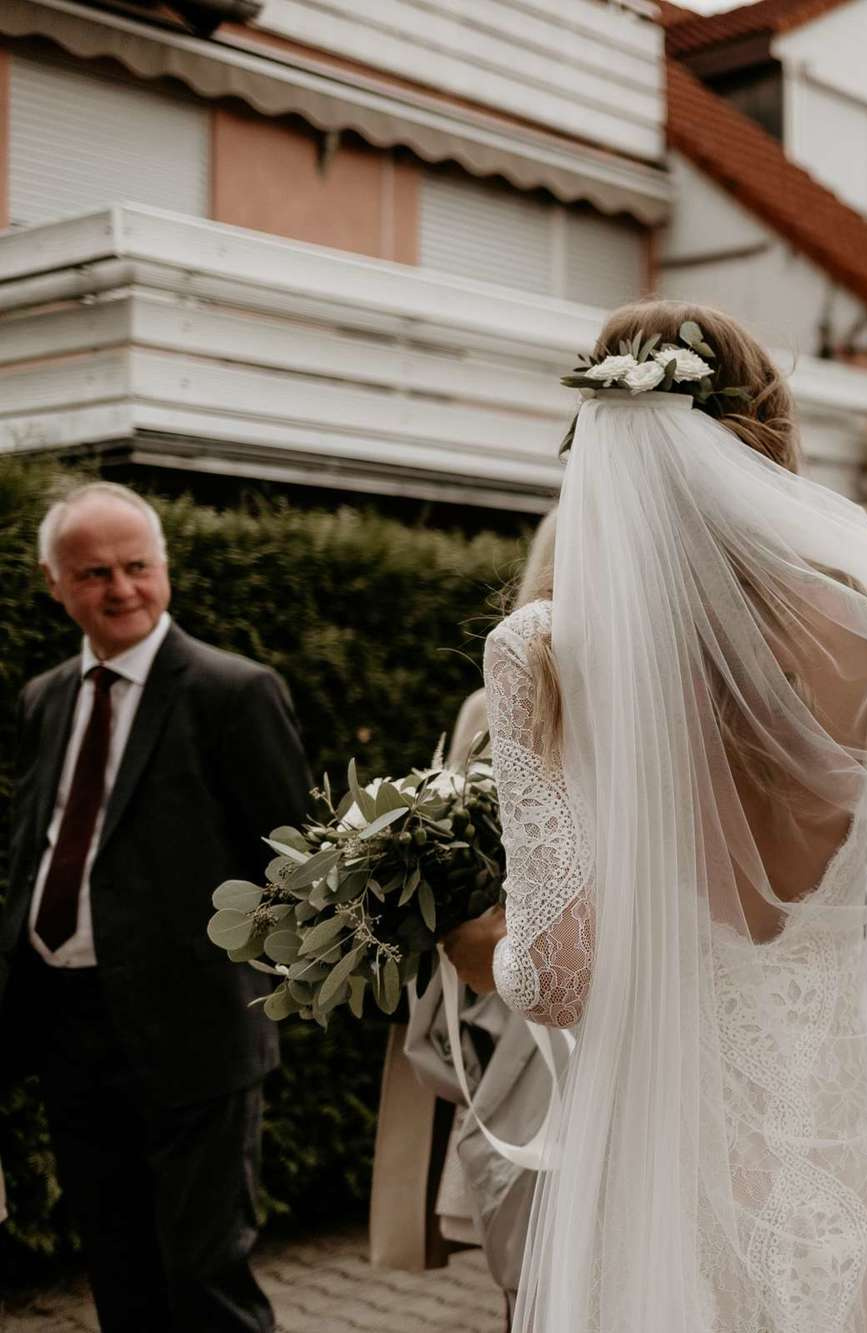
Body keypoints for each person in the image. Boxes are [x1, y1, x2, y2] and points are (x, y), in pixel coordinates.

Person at [439, 300, 867, 1331]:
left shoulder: (543, 650)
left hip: (671, 1124)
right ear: (765, 437)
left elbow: (557, 977)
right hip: (845, 1092)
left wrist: (462, 935)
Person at [2, 481, 309, 1332]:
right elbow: (38, 846)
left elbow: (291, 862)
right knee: (118, 1266)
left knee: (205, 1275)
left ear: (165, 567)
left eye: (137, 566)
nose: (121, 589)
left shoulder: (232, 691)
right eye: (94, 572)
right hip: (70, 1023)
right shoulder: (44, 697)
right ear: (53, 582)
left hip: (196, 1031)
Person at [370, 513, 559, 1327]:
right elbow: (472, 856)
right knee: (529, 1233)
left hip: (551, 983)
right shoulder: (495, 700)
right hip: (517, 1003)